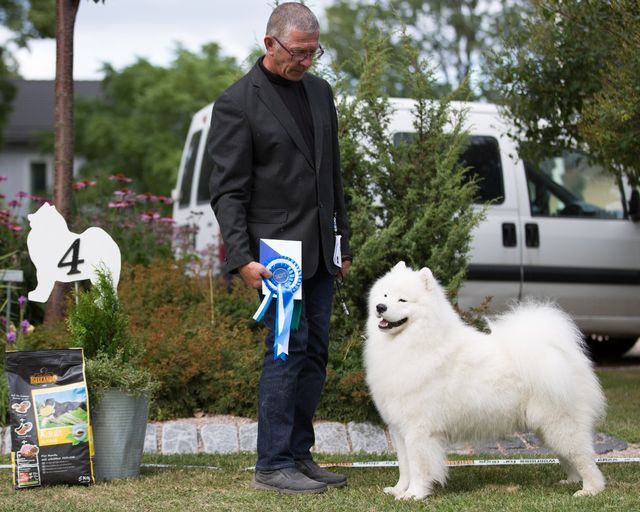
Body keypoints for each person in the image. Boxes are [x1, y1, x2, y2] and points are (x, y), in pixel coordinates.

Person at [208, 2, 351, 495]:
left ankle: (298, 454)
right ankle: (271, 464)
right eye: (300, 52)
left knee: (314, 354)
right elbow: (228, 191)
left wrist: (342, 242)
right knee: (285, 351)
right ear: (270, 44)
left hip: (319, 251)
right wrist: (241, 257)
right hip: (275, 256)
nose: (308, 61)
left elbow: (331, 175)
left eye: (315, 52)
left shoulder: (320, 92)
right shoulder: (236, 103)